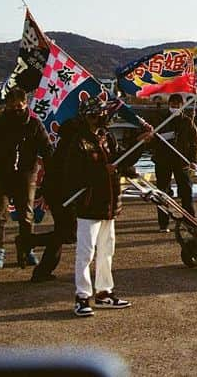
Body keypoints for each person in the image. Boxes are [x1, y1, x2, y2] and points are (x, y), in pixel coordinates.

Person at [64, 96, 151, 317]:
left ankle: (104, 292)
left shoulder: (106, 137)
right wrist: (103, 171)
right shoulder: (78, 141)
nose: (104, 117)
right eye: (99, 113)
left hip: (110, 204)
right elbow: (75, 175)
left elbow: (123, 159)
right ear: (89, 116)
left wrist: (140, 143)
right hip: (89, 205)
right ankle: (82, 296)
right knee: (85, 253)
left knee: (107, 251)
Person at [0, 87, 53, 272]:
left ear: (26, 104)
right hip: (1, 175)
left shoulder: (35, 125)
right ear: (6, 106)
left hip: (26, 175)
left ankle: (27, 249)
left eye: (20, 106)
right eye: (12, 107)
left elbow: (48, 152)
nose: (16, 110)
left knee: (26, 216)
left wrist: (52, 176)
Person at [28, 112, 80, 283]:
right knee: (68, 233)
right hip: (61, 193)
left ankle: (43, 270)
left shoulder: (64, 145)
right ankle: (29, 241)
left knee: (62, 231)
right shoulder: (72, 147)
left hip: (57, 192)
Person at [153, 94, 197, 232]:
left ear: (182, 105)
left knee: (186, 192)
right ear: (169, 104)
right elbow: (153, 137)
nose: (174, 106)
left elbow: (195, 142)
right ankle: (163, 224)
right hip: (163, 161)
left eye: (177, 104)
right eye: (172, 104)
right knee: (162, 193)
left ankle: (190, 222)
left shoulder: (187, 121)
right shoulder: (161, 120)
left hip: (182, 162)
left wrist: (193, 160)